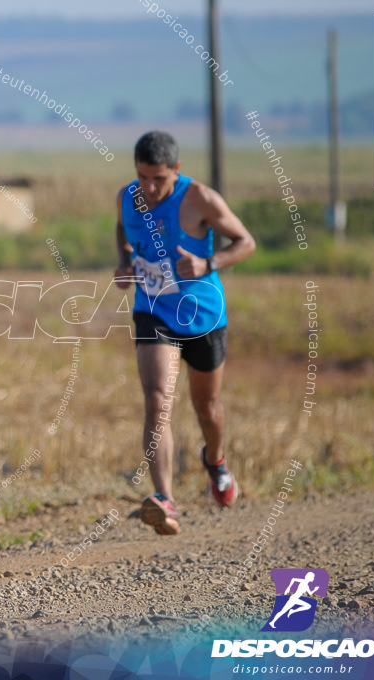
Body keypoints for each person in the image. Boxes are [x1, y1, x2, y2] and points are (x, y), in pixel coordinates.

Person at [113, 131, 255, 535]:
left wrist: (209, 263)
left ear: (176, 169)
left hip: (203, 317)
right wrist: (125, 264)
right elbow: (123, 232)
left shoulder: (201, 199)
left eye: (159, 178)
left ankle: (216, 460)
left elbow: (246, 242)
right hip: (152, 310)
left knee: (206, 408)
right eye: (142, 177)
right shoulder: (128, 196)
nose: (150, 187)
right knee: (158, 401)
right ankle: (165, 500)